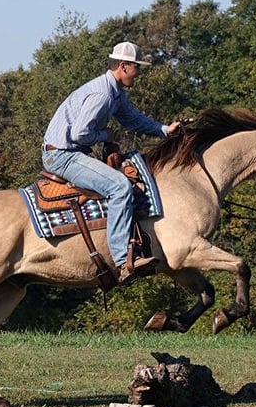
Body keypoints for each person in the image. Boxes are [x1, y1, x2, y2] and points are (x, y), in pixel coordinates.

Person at [42, 41, 181, 285]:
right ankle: (122, 260)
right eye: (136, 67)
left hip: (71, 153)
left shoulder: (116, 93)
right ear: (124, 66)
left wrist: (165, 130)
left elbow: (134, 120)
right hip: (63, 155)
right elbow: (79, 134)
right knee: (119, 186)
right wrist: (106, 136)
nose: (138, 73)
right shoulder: (103, 94)